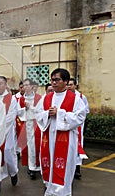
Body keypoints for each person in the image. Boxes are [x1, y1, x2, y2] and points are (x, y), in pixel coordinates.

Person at [35, 68, 86, 196]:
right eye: (52, 80)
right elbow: (37, 114)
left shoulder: (75, 99)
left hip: (66, 140)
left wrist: (60, 114)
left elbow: (80, 117)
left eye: (57, 80)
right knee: (49, 166)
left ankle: (63, 193)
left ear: (66, 81)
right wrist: (47, 113)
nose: (54, 83)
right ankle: (49, 190)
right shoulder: (46, 98)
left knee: (64, 168)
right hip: (49, 137)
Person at [0, 76, 19, 186]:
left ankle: (13, 173)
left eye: (0, 84)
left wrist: (0, 131)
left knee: (8, 153)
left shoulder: (11, 99)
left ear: (5, 85)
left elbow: (10, 117)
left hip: (7, 132)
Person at [17, 78, 42, 179]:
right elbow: (18, 112)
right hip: (26, 124)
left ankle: (38, 166)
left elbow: (42, 111)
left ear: (32, 86)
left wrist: (30, 108)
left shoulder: (39, 98)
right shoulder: (21, 99)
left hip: (37, 124)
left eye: (27, 85)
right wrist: (24, 108)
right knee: (29, 146)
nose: (25, 87)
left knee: (37, 146)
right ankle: (31, 167)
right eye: (24, 85)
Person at [67, 78, 90, 179]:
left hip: (78, 127)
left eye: (71, 84)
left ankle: (77, 170)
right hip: (68, 126)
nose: (69, 86)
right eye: (68, 84)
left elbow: (86, 111)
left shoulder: (81, 97)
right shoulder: (65, 96)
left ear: (75, 86)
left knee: (77, 148)